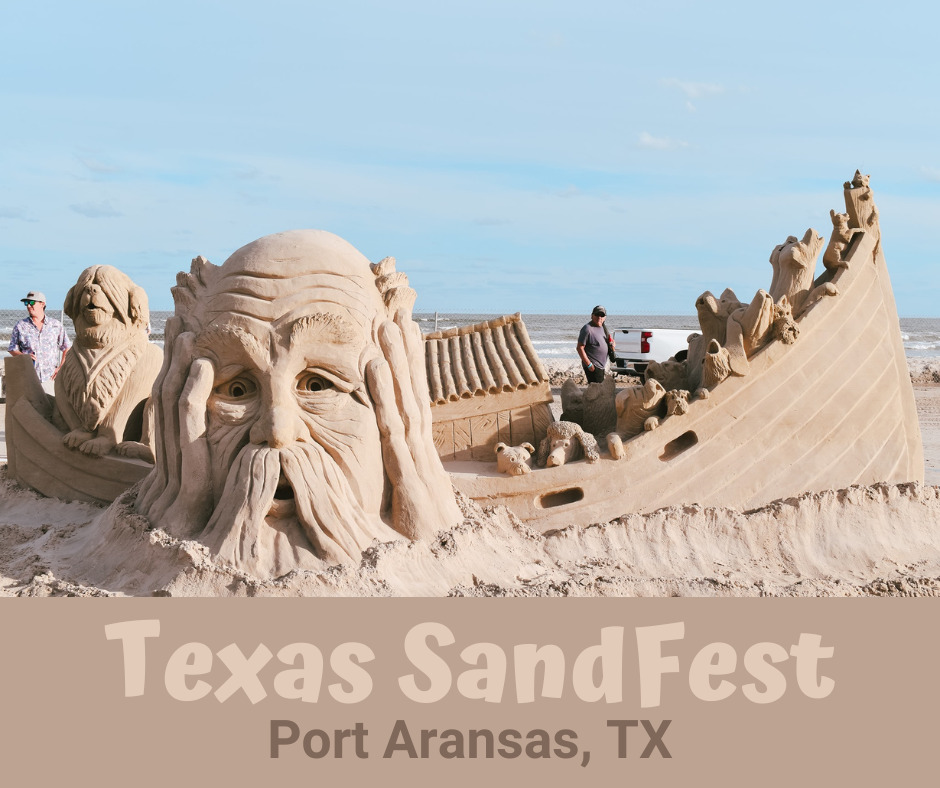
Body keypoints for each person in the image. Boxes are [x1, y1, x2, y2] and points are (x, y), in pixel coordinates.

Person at [8, 290, 71, 394]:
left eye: (32, 303)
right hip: (28, 379)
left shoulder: (55, 325)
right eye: (26, 303)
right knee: (30, 410)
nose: (28, 306)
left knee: (51, 408)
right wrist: (24, 356)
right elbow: (12, 349)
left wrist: (61, 368)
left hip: (50, 379)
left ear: (42, 304)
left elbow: (67, 348)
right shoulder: (20, 325)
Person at [577, 304, 614, 383]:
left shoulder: (603, 328)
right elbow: (580, 347)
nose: (599, 317)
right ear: (592, 316)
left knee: (597, 391)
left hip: (601, 366)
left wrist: (612, 345)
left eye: (602, 315)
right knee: (597, 391)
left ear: (605, 317)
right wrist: (589, 364)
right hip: (593, 366)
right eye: (597, 314)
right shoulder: (587, 329)